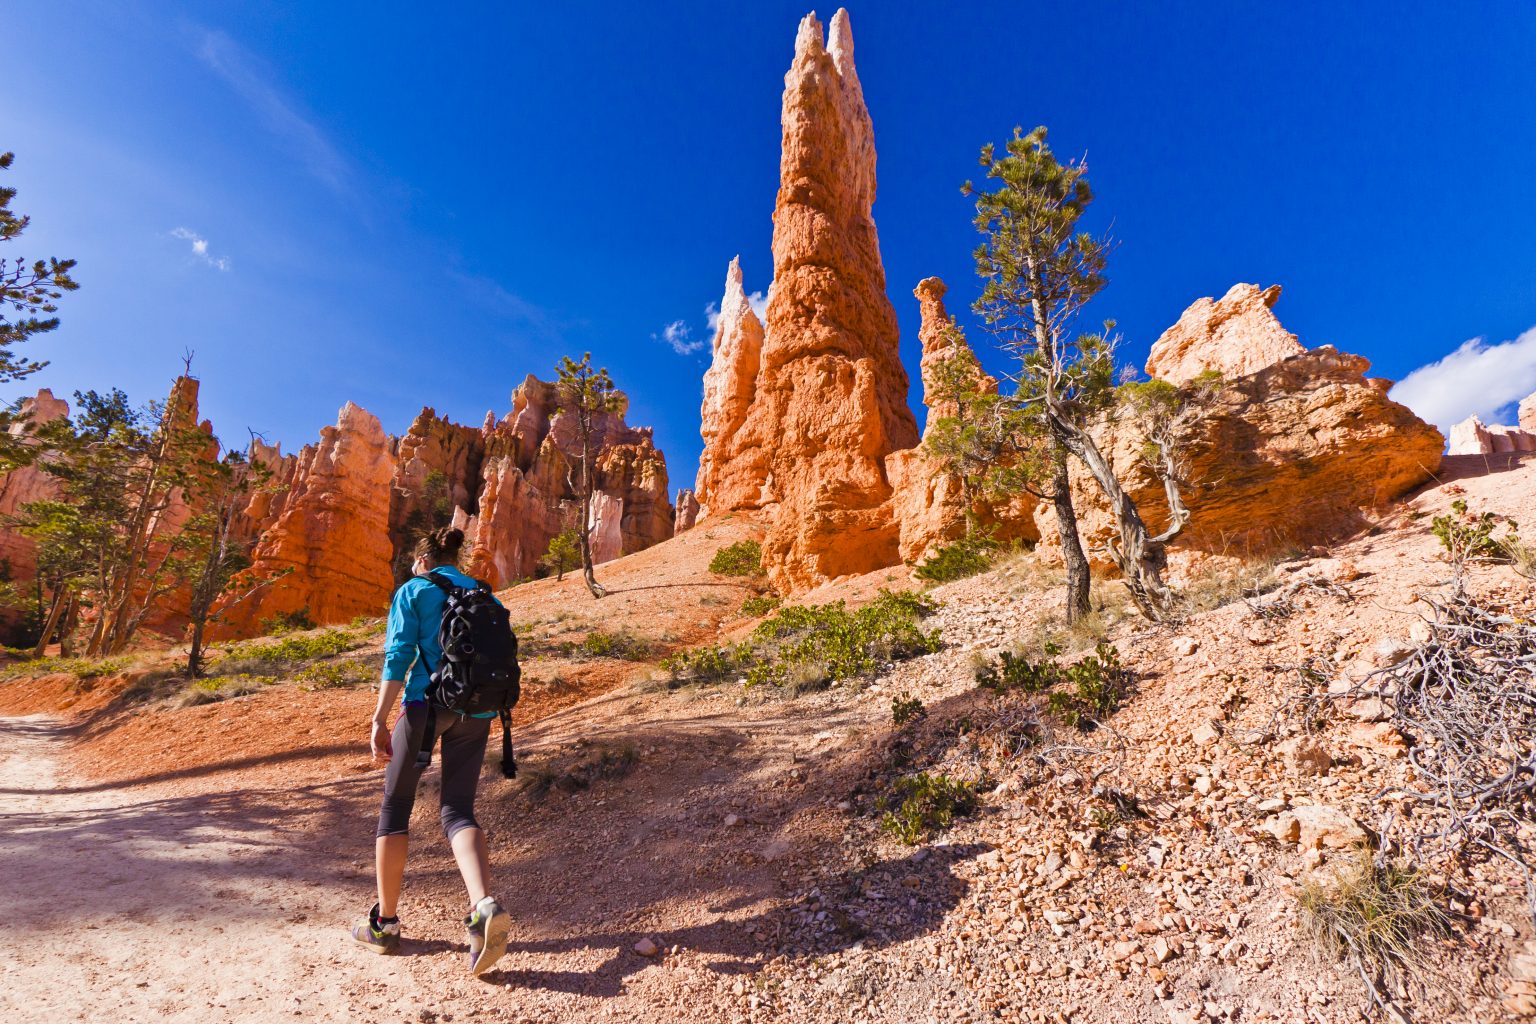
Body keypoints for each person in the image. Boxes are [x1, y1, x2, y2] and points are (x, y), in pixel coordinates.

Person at [351, 526, 510, 975]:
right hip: (477, 711)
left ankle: (385, 924)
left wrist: (380, 719)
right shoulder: (485, 594)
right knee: (458, 810)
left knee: (395, 806)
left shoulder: (414, 589)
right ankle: (483, 906)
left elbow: (398, 655)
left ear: (421, 561)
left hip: (424, 706)